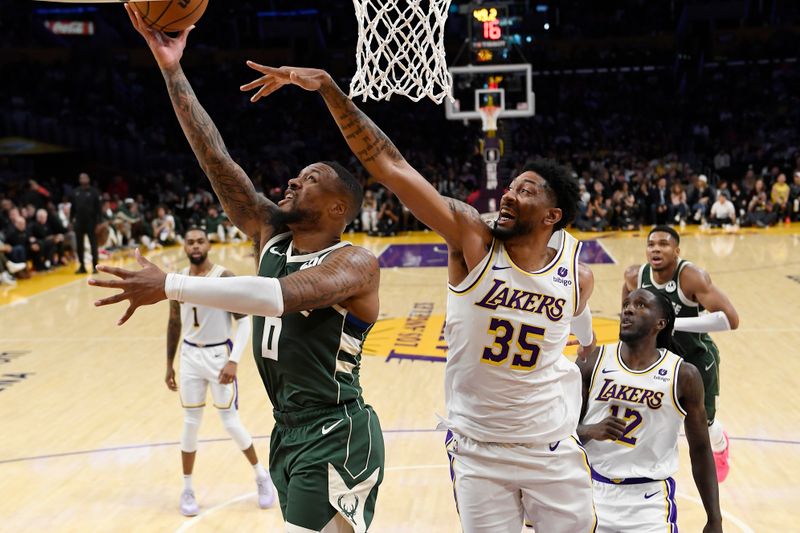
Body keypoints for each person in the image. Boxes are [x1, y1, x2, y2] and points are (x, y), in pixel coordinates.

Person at [240, 64, 598, 532]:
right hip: (479, 448)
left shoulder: (578, 274)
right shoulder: (473, 239)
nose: (508, 196)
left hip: (550, 444)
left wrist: (591, 364)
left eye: (524, 191)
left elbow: (584, 336)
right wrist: (330, 89)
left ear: (553, 214)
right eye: (509, 187)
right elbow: (391, 167)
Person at [91, 8, 385, 532]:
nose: (294, 183)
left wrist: (172, 285)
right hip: (286, 430)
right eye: (296, 176)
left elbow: (281, 295)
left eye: (310, 179)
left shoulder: (355, 263)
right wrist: (171, 70)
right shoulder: (272, 234)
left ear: (340, 208)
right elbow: (217, 161)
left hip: (337, 431)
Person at [577, 288, 722, 532]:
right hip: (592, 493)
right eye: (626, 304)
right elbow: (562, 432)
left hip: (649, 502)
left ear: (660, 323)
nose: (629, 309)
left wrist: (714, 518)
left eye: (641, 305)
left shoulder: (683, 375)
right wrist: (590, 430)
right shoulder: (594, 361)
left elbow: (700, 449)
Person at [167, 227, 275, 516]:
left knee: (230, 422)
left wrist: (234, 360)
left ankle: (262, 477)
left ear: (208, 245)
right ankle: (187, 488)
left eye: (200, 240)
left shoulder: (224, 277)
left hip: (219, 355)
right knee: (190, 423)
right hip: (189, 356)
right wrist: (168, 364)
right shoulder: (177, 280)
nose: (195, 246)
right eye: (190, 242)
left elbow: (244, 322)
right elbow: (174, 322)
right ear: (184, 247)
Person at [623, 226, 739, 482]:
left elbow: (730, 320)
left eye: (663, 244)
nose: (656, 248)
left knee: (703, 426)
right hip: (661, 360)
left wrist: (672, 324)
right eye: (651, 244)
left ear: (676, 251)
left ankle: (720, 445)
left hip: (696, 358)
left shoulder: (692, 277)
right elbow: (625, 311)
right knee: (649, 414)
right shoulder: (635, 276)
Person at [70, 172, 101, 274]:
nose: (83, 179)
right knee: (79, 245)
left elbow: (98, 209)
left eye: (85, 177)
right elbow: (73, 208)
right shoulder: (75, 192)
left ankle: (95, 266)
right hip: (79, 222)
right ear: (79, 180)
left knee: (93, 245)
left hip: (91, 222)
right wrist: (71, 221)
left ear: (88, 179)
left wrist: (98, 223)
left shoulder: (94, 192)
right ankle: (82, 266)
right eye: (81, 178)